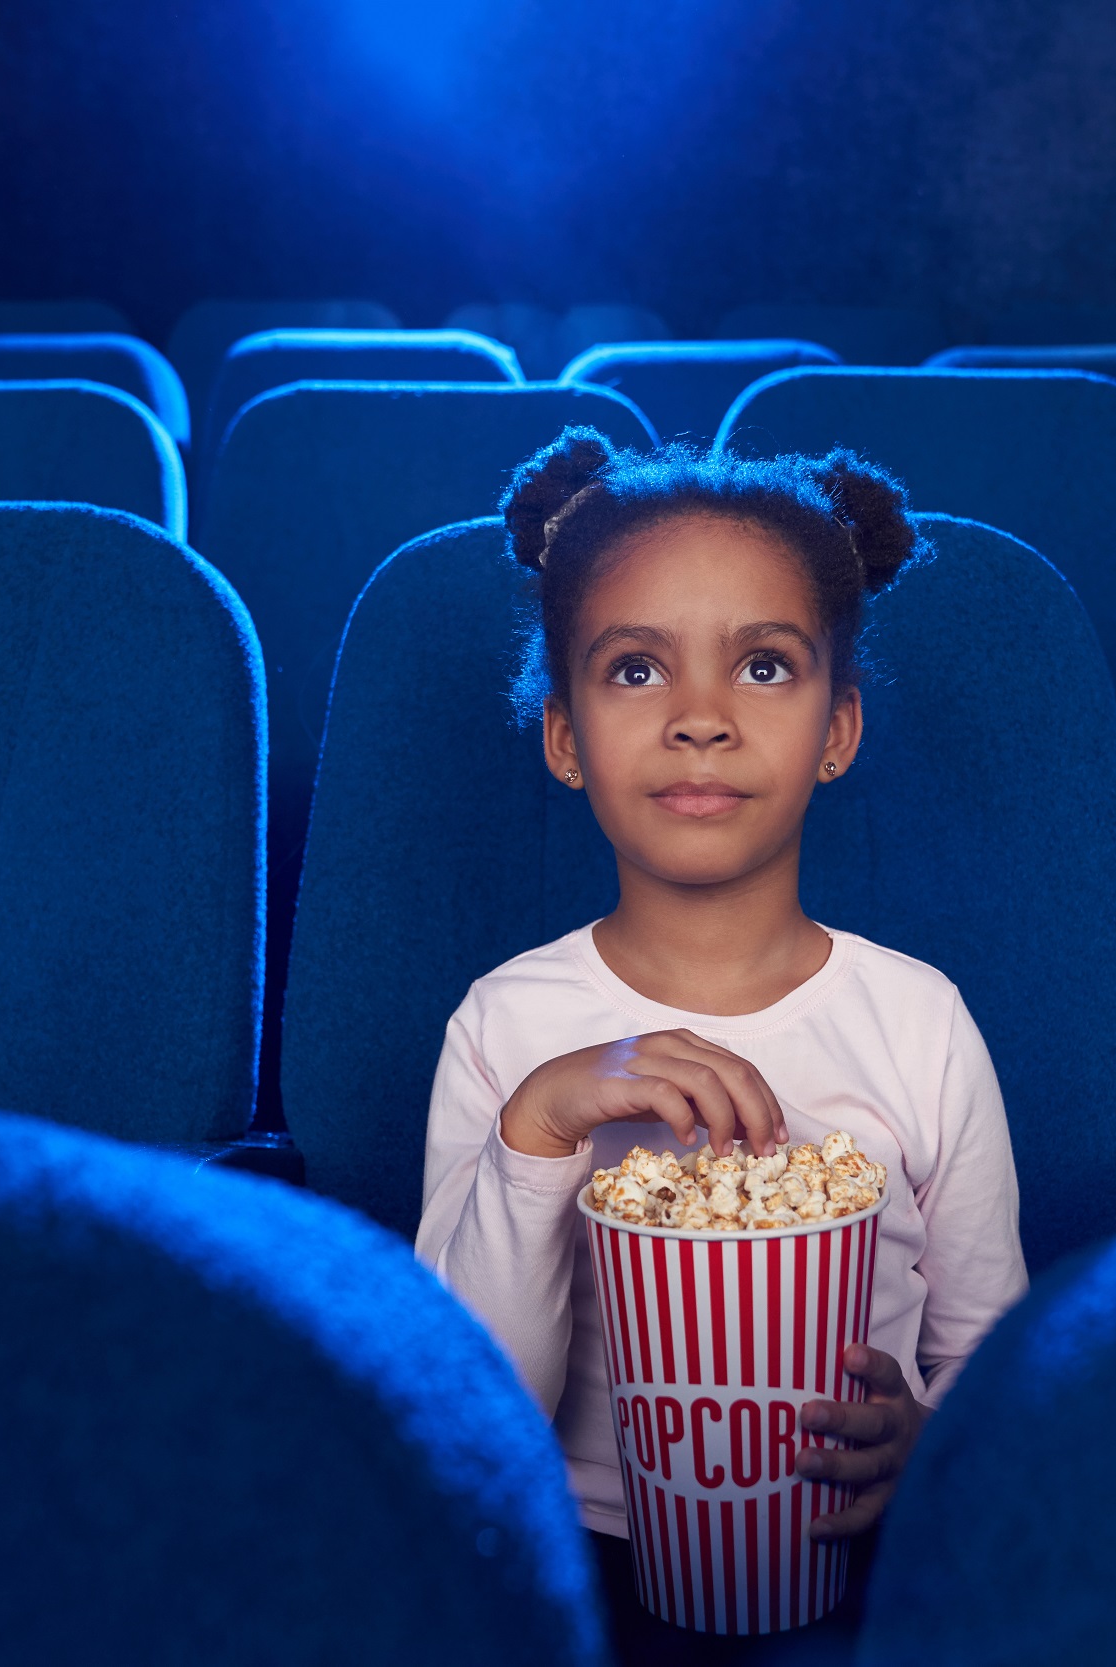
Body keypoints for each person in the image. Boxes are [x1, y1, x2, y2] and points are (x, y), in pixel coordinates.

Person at [416, 428, 1027, 1661]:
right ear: (566, 736)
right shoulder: (506, 1023)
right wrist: (538, 1124)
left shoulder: (917, 1020)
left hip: (855, 1564)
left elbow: (988, 1356)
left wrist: (930, 1446)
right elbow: (466, 1413)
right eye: (636, 671)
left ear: (838, 728)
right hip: (569, 1568)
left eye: (762, 666)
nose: (700, 718)